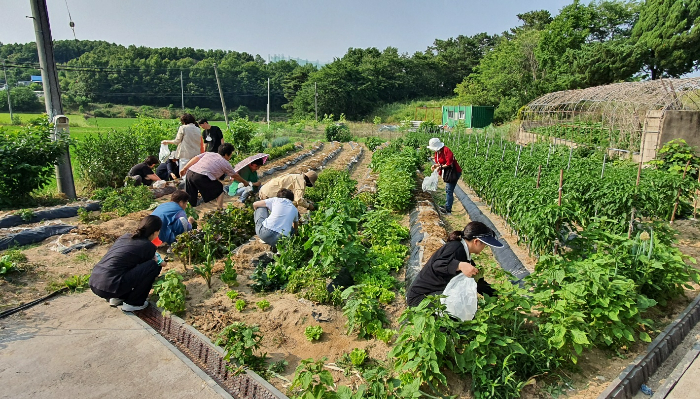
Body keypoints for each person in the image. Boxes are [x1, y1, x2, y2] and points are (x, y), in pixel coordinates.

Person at [406, 221, 503, 308]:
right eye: (485, 245)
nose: (485, 248)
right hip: (421, 298)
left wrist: (497, 294)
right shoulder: (455, 248)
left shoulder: (466, 255)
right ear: (476, 242)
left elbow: (477, 282)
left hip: (434, 293)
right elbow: (437, 265)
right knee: (460, 301)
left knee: (464, 299)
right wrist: (459, 265)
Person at [88, 215, 164, 312]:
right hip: (110, 285)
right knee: (153, 266)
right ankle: (134, 303)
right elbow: (146, 269)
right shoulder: (148, 246)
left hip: (95, 282)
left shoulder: (126, 237)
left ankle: (117, 298)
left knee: (126, 266)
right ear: (156, 232)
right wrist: (159, 262)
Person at [180, 143, 249, 209]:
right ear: (226, 154)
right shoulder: (225, 163)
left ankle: (187, 210)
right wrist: (245, 182)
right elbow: (235, 176)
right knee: (219, 188)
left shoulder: (209, 154)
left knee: (190, 198)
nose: (230, 156)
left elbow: (196, 158)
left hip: (190, 173)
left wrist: (185, 168)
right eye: (230, 154)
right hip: (201, 176)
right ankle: (220, 209)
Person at [427, 137, 462, 215]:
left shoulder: (446, 150)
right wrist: (435, 165)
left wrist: (440, 167)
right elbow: (440, 162)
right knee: (448, 189)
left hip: (454, 172)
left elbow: (449, 163)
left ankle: (448, 209)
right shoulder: (437, 152)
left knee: (449, 190)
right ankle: (447, 206)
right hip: (448, 172)